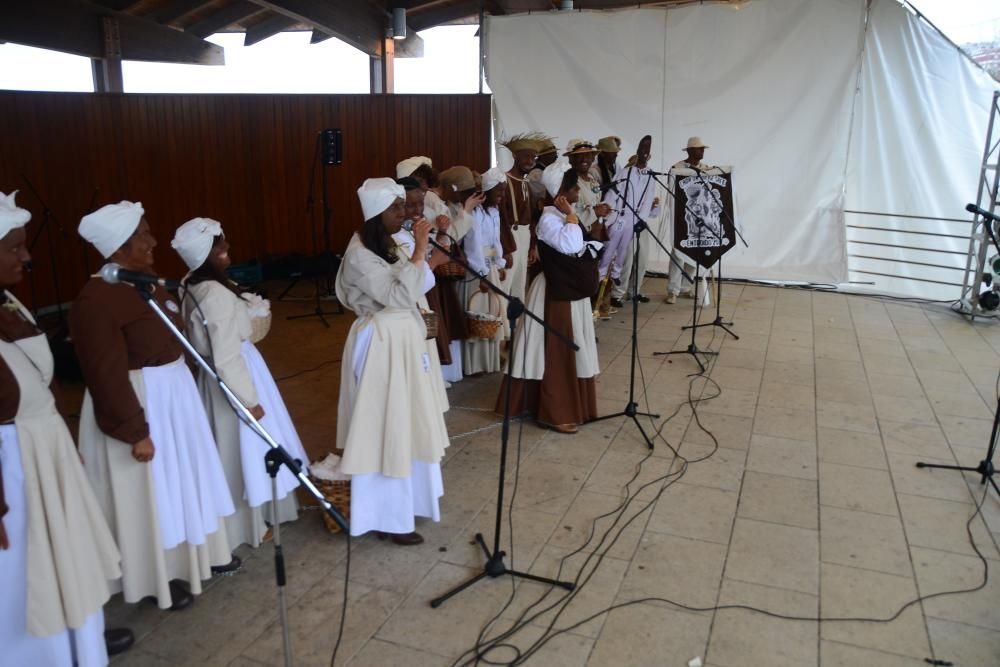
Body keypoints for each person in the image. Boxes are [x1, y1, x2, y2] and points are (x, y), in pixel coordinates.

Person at [71, 201, 236, 613]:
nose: (153, 241)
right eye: (144, 234)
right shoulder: (96, 300)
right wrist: (134, 429)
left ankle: (197, 556)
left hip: (173, 396)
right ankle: (155, 579)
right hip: (140, 403)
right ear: (118, 247)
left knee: (184, 483)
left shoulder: (146, 282)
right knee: (151, 496)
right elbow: (104, 374)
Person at [0, 191, 123, 666]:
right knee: (25, 568)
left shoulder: (9, 302)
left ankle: (79, 637)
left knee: (62, 553)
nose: (27, 257)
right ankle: (41, 652)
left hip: (39, 450)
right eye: (14, 247)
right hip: (12, 466)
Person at [172, 218, 308, 549]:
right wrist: (248, 400)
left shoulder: (190, 283)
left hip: (215, 376)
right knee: (241, 452)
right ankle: (245, 526)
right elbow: (226, 355)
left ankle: (262, 513)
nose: (227, 250)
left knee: (235, 449)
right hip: (233, 378)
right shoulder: (216, 294)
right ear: (206, 253)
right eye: (221, 246)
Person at [335, 178, 450, 545]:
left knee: (408, 420)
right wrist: (419, 250)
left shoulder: (384, 244)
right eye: (396, 208)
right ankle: (386, 515)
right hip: (381, 343)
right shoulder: (359, 254)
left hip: (401, 340)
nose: (406, 213)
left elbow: (418, 283)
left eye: (404, 206)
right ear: (376, 214)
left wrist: (422, 255)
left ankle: (410, 503)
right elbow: (398, 293)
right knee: (386, 426)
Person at [497, 162, 601, 434]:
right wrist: (571, 216)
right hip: (554, 295)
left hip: (568, 291)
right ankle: (555, 410)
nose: (579, 190)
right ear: (563, 192)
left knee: (570, 345)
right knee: (556, 351)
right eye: (574, 186)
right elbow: (572, 245)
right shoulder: (549, 218)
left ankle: (573, 406)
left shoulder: (560, 215)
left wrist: (571, 216)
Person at [392, 177, 452, 405]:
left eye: (420, 204)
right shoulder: (395, 239)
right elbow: (408, 283)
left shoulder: (409, 232)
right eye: (410, 205)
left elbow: (430, 253)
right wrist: (434, 263)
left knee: (427, 347)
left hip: (422, 301)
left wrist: (443, 233)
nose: (417, 210)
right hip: (409, 305)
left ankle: (428, 394)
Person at [599, 135, 661, 310]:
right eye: (642, 149)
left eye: (648, 151)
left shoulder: (650, 175)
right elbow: (612, 196)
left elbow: (648, 201)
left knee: (641, 260)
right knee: (623, 258)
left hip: (640, 223)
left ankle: (635, 291)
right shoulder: (625, 173)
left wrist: (647, 214)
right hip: (622, 221)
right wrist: (608, 221)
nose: (644, 153)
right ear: (637, 151)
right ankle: (617, 293)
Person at [463, 167, 508, 374]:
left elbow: (495, 240)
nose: (501, 196)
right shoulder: (475, 213)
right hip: (477, 269)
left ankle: (490, 360)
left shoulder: (493, 212)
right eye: (498, 192)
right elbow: (473, 245)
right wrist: (481, 273)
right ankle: (475, 364)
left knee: (492, 313)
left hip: (489, 266)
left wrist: (499, 263)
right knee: (479, 312)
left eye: (503, 192)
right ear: (486, 191)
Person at [665, 137, 712, 304]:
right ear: (690, 151)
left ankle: (685, 287)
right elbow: (670, 190)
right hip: (682, 216)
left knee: (695, 252)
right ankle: (673, 290)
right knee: (678, 252)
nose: (702, 151)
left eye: (703, 149)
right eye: (699, 149)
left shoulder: (707, 169)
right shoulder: (677, 168)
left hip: (700, 218)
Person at [498, 134, 540, 307]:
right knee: (505, 284)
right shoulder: (504, 181)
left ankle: (518, 329)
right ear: (515, 156)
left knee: (520, 285)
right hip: (510, 237)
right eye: (526, 156)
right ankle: (502, 329)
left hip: (524, 238)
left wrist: (532, 246)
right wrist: (506, 249)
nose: (530, 160)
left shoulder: (526, 184)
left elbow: (530, 219)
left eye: (533, 157)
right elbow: (501, 218)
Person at [564, 139, 612, 239]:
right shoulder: (569, 183)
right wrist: (595, 212)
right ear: (571, 159)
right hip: (579, 238)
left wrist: (603, 209)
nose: (584, 159)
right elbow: (567, 216)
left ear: (593, 158)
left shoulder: (592, 180)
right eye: (579, 156)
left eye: (588, 155)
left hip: (596, 236)